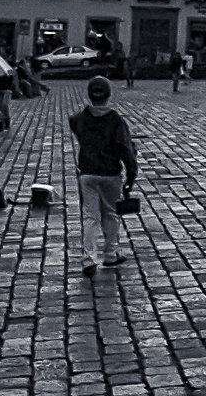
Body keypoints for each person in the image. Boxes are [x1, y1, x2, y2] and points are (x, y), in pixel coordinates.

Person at [68, 76, 138, 278]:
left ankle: (88, 258)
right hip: (110, 173)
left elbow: (75, 122)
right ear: (109, 95)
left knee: (90, 216)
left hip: (87, 172)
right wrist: (131, 174)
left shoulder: (79, 119)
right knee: (110, 213)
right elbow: (125, 149)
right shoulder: (115, 120)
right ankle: (110, 253)